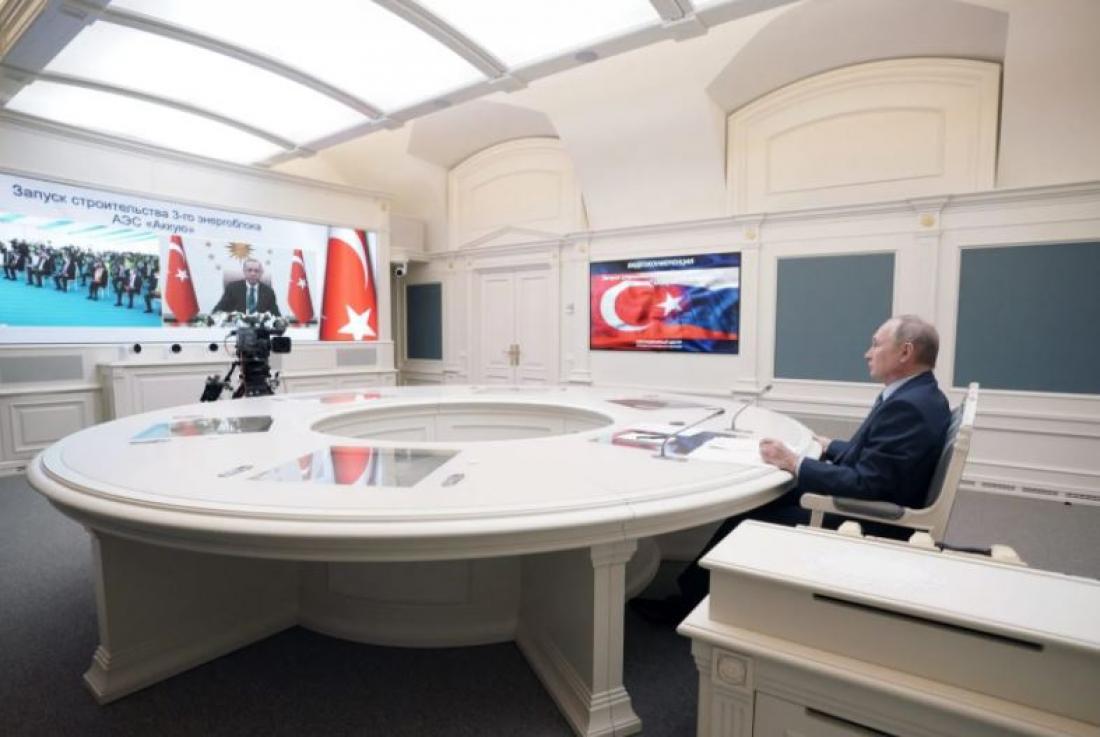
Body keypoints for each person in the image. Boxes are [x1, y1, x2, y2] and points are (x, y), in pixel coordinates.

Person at [633, 315, 951, 623]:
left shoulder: (907, 406)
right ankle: (696, 589)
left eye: (876, 344)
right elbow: (878, 458)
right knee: (763, 497)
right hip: (875, 500)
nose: (867, 353)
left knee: (750, 517)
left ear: (905, 352)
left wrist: (794, 462)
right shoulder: (920, 394)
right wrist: (830, 446)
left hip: (869, 518)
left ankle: (689, 602)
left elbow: (868, 483)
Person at [212, 258, 280, 316]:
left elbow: (277, 315)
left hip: (260, 326)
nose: (253, 274)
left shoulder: (268, 292)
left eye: (256, 271)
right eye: (249, 270)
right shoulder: (232, 288)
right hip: (237, 325)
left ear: (261, 273)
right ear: (244, 272)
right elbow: (217, 311)